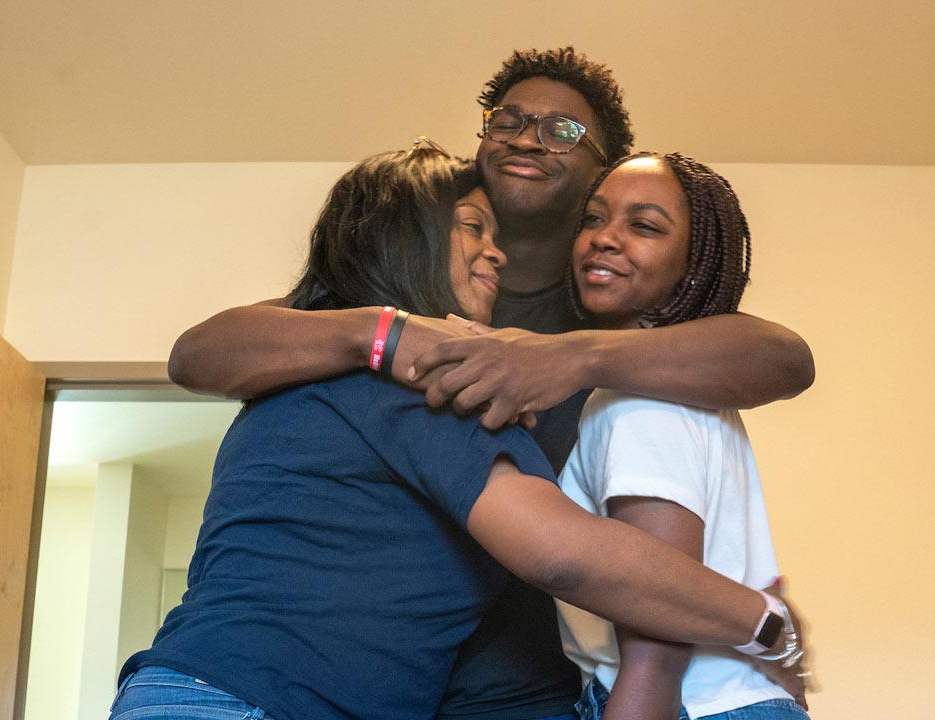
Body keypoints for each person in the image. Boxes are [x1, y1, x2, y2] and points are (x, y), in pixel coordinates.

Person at [165, 48, 815, 717]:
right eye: (506, 120)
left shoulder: (604, 311)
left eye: (563, 130)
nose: (528, 136)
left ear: (604, 167)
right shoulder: (408, 304)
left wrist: (572, 358)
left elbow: (785, 357)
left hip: (528, 689)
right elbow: (198, 354)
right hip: (364, 682)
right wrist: (384, 334)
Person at [555, 153, 810, 720]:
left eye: (644, 226)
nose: (605, 239)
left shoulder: (640, 407)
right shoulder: (680, 387)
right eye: (594, 219)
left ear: (693, 264)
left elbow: (657, 640)